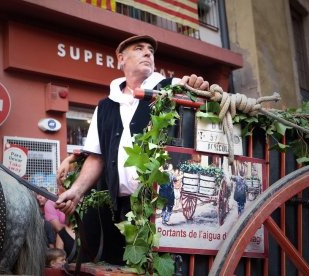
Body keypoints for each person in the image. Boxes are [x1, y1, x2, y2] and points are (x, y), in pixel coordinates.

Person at [56, 35, 209, 264]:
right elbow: (96, 157)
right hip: (115, 208)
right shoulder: (105, 106)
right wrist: (76, 191)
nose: (148, 53)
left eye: (150, 50)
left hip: (157, 207)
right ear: (121, 59)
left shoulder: (172, 89)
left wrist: (198, 89)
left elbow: (200, 104)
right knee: (102, 263)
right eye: (139, 49)